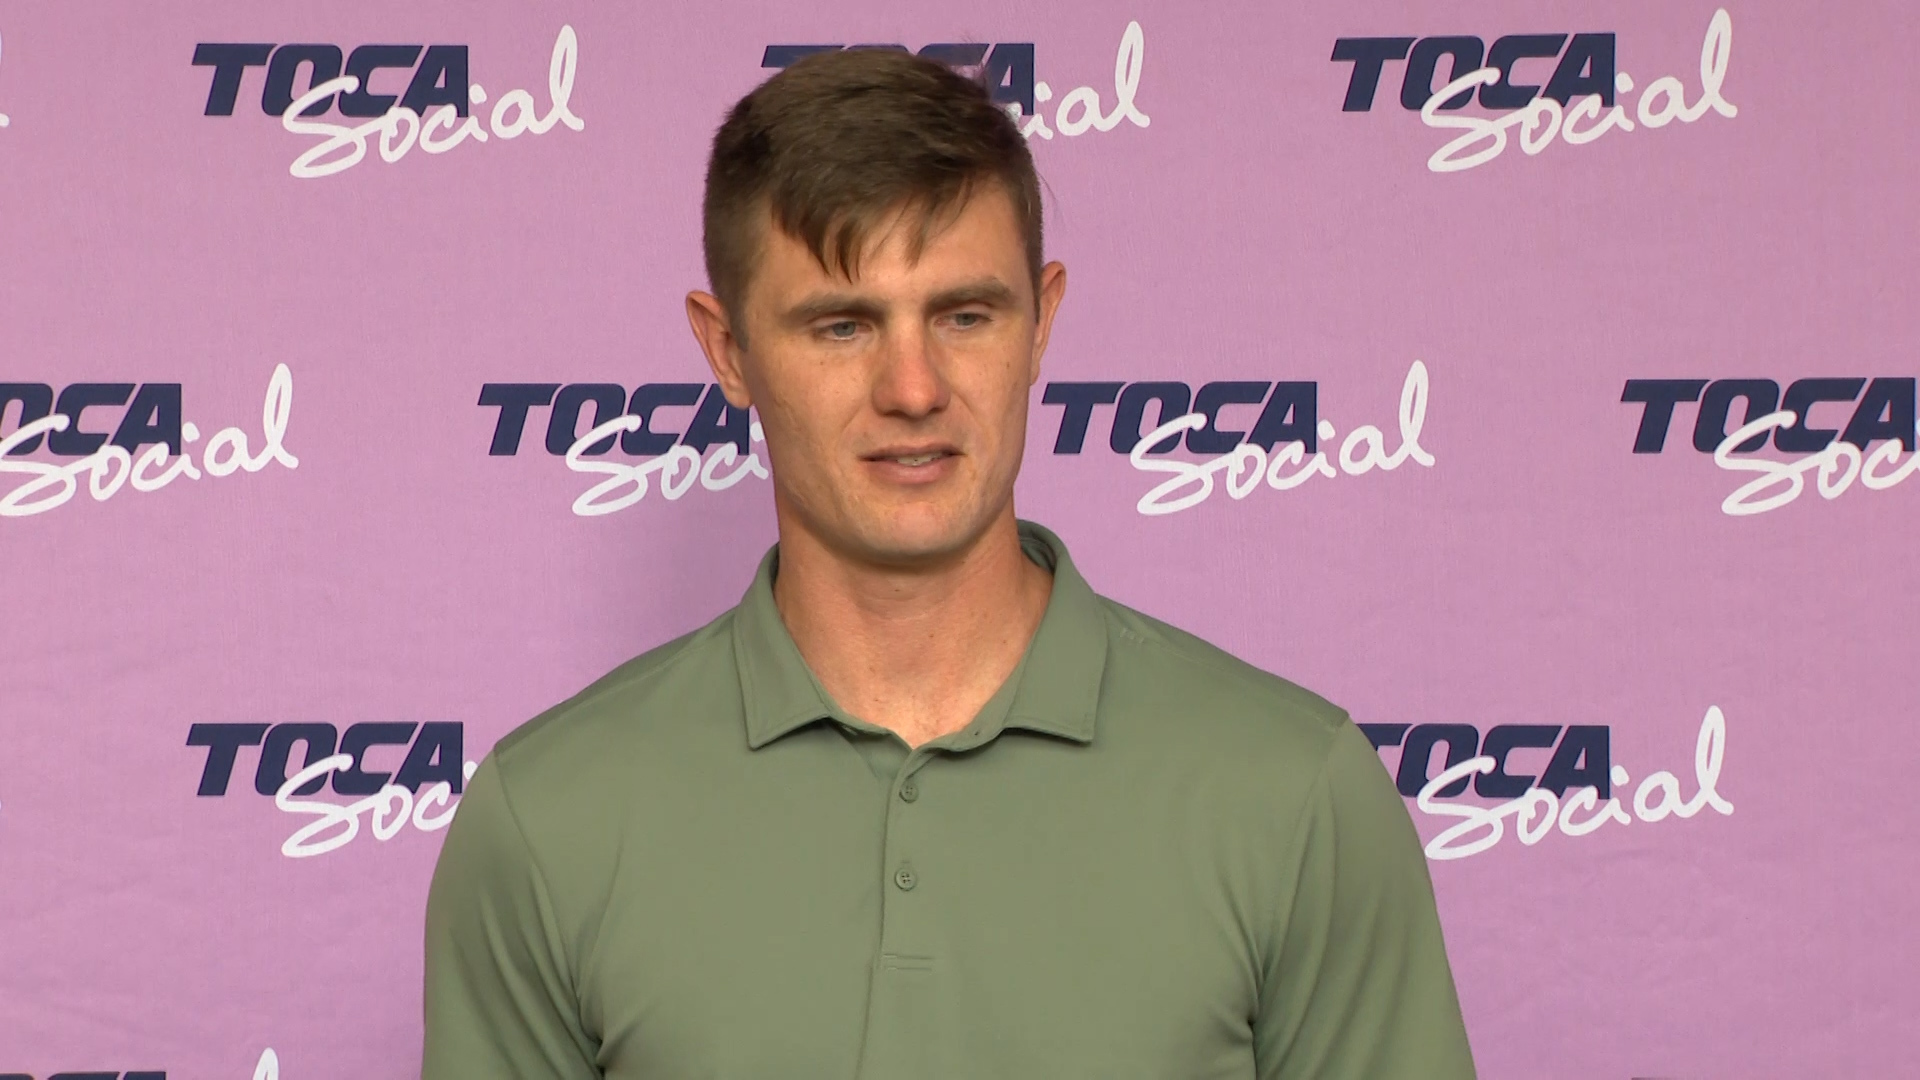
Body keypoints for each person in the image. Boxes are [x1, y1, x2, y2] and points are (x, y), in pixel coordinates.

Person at [422, 47, 1475, 1079]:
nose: (914, 389)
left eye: (966, 316)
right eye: (843, 326)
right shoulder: (548, 820)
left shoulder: (1292, 794)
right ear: (728, 350)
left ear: (1042, 322)